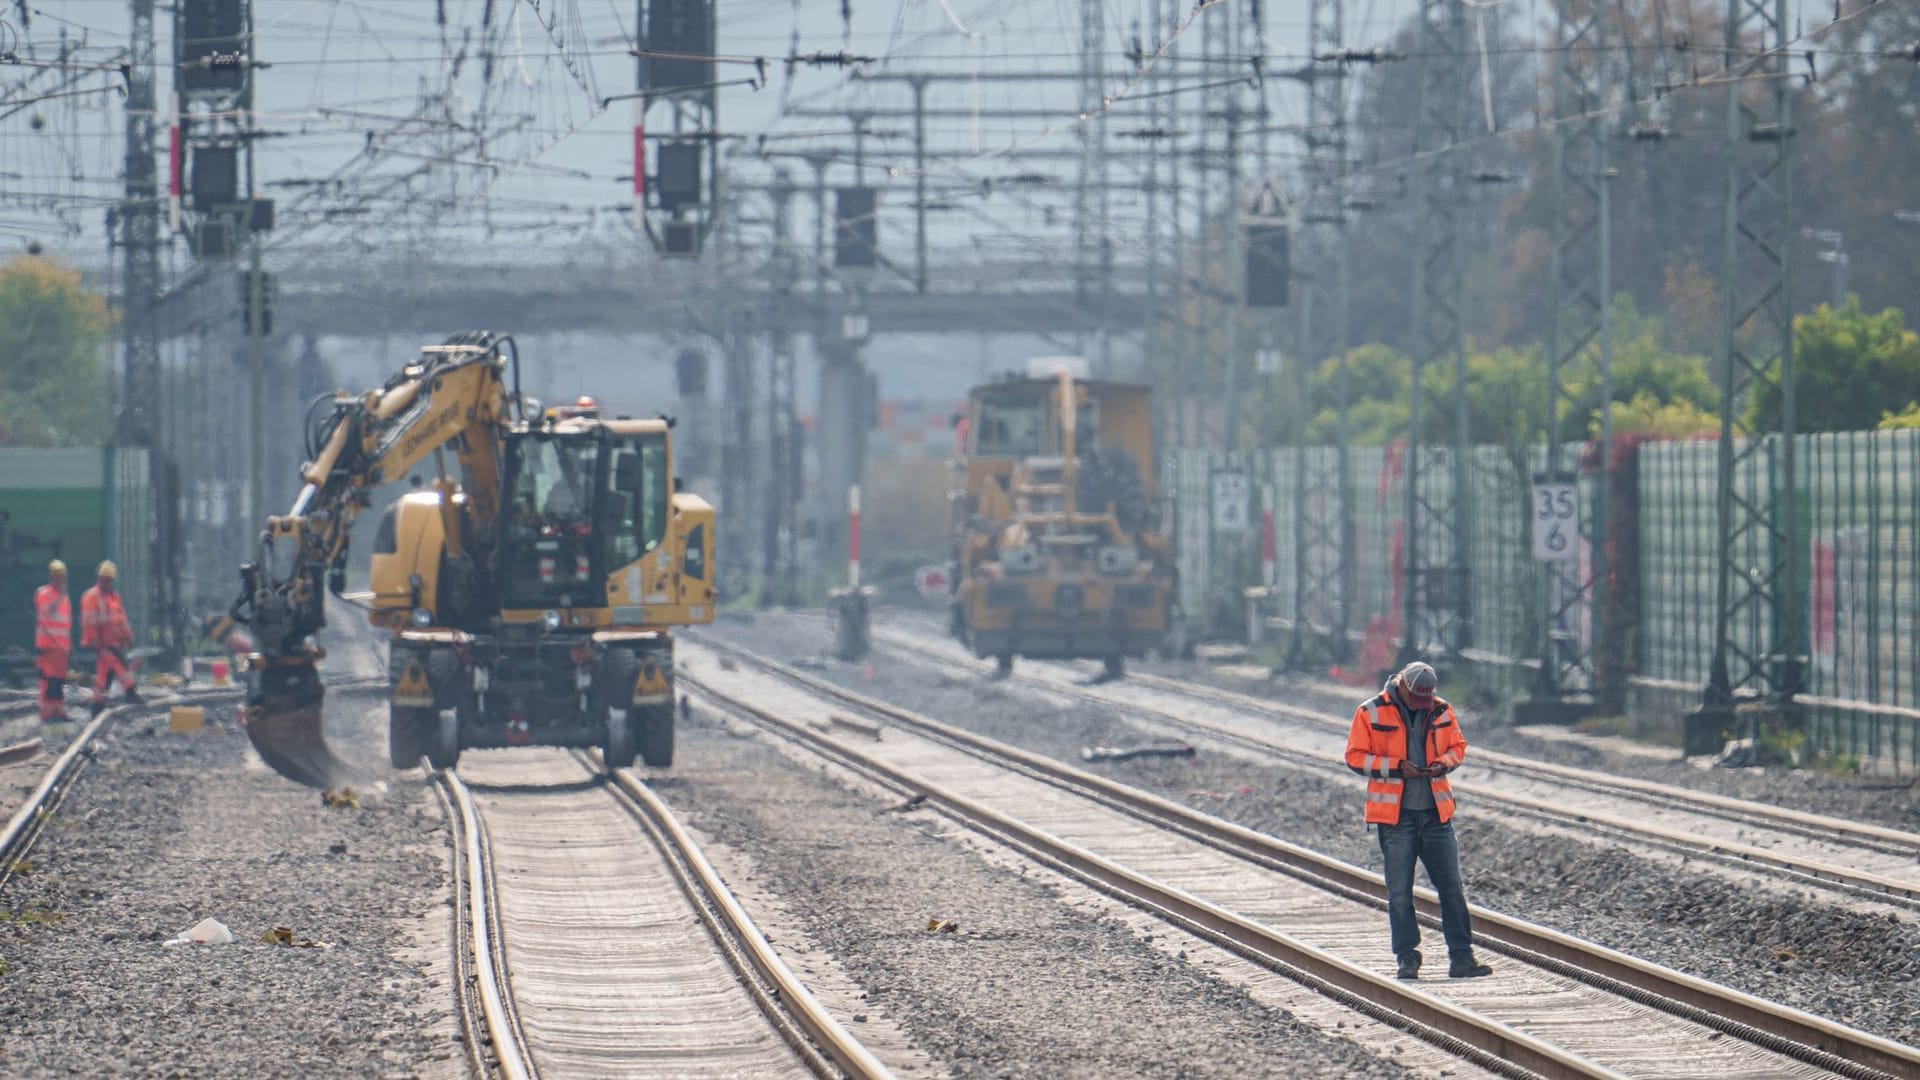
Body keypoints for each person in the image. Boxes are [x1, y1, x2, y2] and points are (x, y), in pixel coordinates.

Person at [1344, 661, 1492, 981]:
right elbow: (1356, 757)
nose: (1421, 705)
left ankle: (1462, 958)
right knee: (1399, 892)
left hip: (1436, 816)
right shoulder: (1370, 712)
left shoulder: (1441, 710)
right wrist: (1397, 767)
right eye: (1416, 699)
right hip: (1396, 819)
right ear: (1402, 687)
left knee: (1451, 888)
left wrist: (1443, 765)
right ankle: (1407, 958)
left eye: (1426, 700)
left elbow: (1457, 747)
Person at [80, 560, 142, 715]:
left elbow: (121, 620)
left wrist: (128, 637)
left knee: (104, 675)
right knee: (121, 666)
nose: (108, 582)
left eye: (110, 579)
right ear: (100, 578)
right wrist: (93, 641)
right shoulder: (92, 597)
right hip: (102, 643)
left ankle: (97, 705)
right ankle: (130, 693)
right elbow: (89, 621)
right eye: (106, 579)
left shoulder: (114, 597)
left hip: (115, 643)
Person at [33, 559, 72, 723]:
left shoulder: (64, 598)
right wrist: (61, 595)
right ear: (52, 577)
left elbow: (66, 623)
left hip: (61, 646)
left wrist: (69, 645)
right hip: (48, 644)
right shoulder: (44, 593)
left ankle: (57, 709)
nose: (61, 580)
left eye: (62, 576)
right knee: (48, 678)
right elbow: (48, 612)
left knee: (59, 679)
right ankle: (47, 712)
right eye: (58, 576)